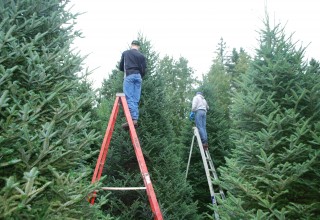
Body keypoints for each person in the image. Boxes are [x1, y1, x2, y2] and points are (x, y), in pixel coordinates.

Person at [119, 40, 147, 129]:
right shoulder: (141, 56)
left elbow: (121, 67)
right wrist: (140, 75)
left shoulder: (126, 53)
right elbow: (144, 69)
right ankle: (135, 118)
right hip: (138, 77)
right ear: (138, 46)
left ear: (131, 45)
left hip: (129, 76)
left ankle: (133, 119)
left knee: (128, 97)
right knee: (135, 98)